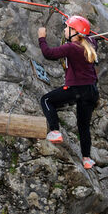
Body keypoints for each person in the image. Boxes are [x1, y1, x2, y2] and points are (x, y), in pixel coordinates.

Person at [38, 15, 99, 169]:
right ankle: (86, 159)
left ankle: (55, 131)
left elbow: (49, 54)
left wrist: (42, 37)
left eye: (67, 28)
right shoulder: (91, 44)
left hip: (77, 89)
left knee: (46, 100)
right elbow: (88, 35)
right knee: (83, 125)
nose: (64, 30)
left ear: (74, 32)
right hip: (91, 91)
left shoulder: (71, 47)